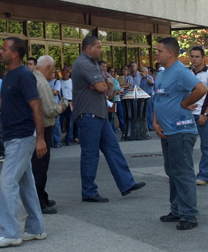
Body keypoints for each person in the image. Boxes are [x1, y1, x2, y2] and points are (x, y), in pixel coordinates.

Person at [0, 37, 47, 248]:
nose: (0, 51)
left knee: (7, 182)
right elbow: (12, 104)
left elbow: (36, 107)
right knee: (25, 183)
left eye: (3, 49)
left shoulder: (23, 75)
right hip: (14, 136)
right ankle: (36, 228)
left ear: (14, 54)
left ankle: (11, 233)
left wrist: (40, 139)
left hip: (22, 137)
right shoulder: (9, 75)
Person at [72, 36, 145, 203]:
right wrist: (105, 82)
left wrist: (104, 82)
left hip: (99, 113)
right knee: (90, 154)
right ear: (89, 48)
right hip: (89, 114)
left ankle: (126, 183)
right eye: (98, 47)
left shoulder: (92, 64)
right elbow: (102, 87)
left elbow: (104, 85)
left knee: (113, 148)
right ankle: (89, 191)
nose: (101, 49)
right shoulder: (84, 63)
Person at [153, 37, 207, 230]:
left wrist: (184, 104)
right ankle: (177, 210)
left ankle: (189, 215)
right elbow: (157, 99)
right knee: (172, 171)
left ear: (170, 53)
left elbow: (201, 89)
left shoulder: (180, 72)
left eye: (159, 51)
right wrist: (155, 121)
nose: (156, 54)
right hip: (167, 130)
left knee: (182, 172)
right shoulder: (161, 74)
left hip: (181, 130)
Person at [32, 56, 66, 214]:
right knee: (40, 166)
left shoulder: (33, 78)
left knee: (38, 166)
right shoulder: (42, 83)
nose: (54, 73)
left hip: (36, 128)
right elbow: (49, 109)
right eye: (53, 69)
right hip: (43, 128)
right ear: (47, 68)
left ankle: (42, 197)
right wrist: (61, 108)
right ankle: (39, 201)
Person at [189, 47, 208, 186]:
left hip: (204, 115)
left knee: (206, 147)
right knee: (186, 146)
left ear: (203, 58)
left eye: (197, 56)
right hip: (190, 115)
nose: (194, 59)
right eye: (192, 56)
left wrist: (206, 114)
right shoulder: (188, 73)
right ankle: (186, 174)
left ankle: (204, 175)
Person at [60, 67, 76, 145]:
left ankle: (68, 138)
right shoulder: (59, 82)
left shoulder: (72, 82)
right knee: (60, 121)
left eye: (67, 72)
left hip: (70, 102)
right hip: (62, 102)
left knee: (70, 122)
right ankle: (58, 138)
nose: (65, 74)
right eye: (64, 72)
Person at [49, 70, 63, 148]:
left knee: (56, 124)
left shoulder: (56, 82)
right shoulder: (45, 81)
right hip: (47, 105)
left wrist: (49, 92)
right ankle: (51, 141)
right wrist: (52, 92)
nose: (51, 74)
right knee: (49, 124)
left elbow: (55, 91)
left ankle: (58, 141)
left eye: (53, 73)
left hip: (55, 105)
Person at [139, 66, 155, 131]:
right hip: (142, 97)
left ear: (146, 72)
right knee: (144, 113)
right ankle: (145, 126)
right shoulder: (141, 79)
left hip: (149, 97)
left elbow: (152, 83)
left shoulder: (149, 77)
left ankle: (150, 126)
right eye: (141, 71)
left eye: (142, 71)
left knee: (149, 112)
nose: (141, 73)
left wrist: (145, 77)